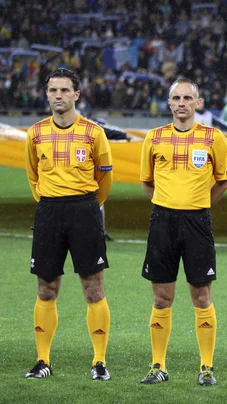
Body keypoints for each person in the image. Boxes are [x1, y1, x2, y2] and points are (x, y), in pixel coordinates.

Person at [139, 77, 227, 385]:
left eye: (187, 98)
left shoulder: (213, 138)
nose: (181, 103)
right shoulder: (154, 137)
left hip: (197, 222)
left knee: (201, 296)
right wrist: (168, 205)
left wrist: (200, 205)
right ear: (169, 103)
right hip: (162, 222)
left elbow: (223, 180)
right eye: (176, 98)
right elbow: (147, 183)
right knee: (161, 297)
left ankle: (206, 367)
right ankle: (158, 366)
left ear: (198, 102)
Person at [24, 68, 113, 381]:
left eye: (64, 90)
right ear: (46, 94)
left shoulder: (93, 132)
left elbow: (105, 177)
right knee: (46, 288)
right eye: (52, 90)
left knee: (93, 287)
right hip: (48, 212)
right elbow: (33, 174)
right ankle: (42, 360)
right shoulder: (35, 133)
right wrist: (49, 200)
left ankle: (99, 361)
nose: (58, 96)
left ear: (77, 94)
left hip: (84, 210)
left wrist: (87, 205)